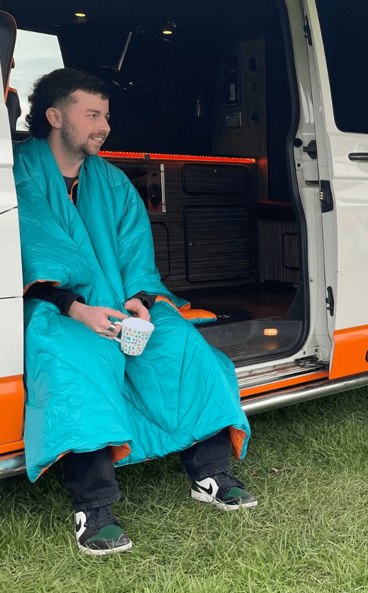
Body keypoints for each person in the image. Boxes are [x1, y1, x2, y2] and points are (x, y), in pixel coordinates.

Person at [13, 68, 257, 557]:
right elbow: (29, 249)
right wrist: (77, 308)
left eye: (106, 116)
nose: (104, 126)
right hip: (49, 305)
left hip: (120, 303)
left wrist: (139, 302)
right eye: (93, 115)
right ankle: (94, 509)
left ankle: (210, 473)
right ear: (55, 116)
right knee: (76, 364)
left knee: (181, 346)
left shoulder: (112, 180)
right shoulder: (17, 171)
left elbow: (134, 252)